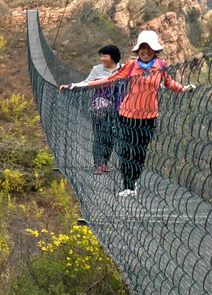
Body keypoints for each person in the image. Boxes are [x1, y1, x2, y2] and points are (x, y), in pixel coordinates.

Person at [83, 30, 194, 197]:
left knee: (140, 152)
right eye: (143, 47)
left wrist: (183, 89)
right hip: (127, 114)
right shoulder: (131, 65)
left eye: (149, 47)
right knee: (126, 150)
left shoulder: (160, 66)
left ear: (155, 50)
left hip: (148, 117)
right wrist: (78, 86)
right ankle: (128, 186)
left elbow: (168, 82)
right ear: (138, 50)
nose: (146, 51)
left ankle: (134, 180)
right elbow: (111, 78)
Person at [60, 44, 122, 174]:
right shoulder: (97, 70)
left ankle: (105, 162)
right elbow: (87, 82)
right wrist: (71, 86)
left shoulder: (123, 69)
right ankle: (98, 164)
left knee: (111, 135)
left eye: (105, 55)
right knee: (100, 134)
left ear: (113, 57)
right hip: (99, 106)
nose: (102, 59)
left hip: (117, 108)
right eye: (101, 56)